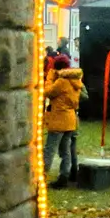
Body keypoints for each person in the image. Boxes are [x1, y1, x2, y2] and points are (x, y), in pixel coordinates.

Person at [43, 56, 82, 187]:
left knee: (49, 150)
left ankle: (40, 178)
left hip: (59, 120)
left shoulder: (62, 81)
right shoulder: (75, 80)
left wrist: (49, 78)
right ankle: (64, 177)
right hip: (70, 120)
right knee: (66, 151)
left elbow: (47, 92)